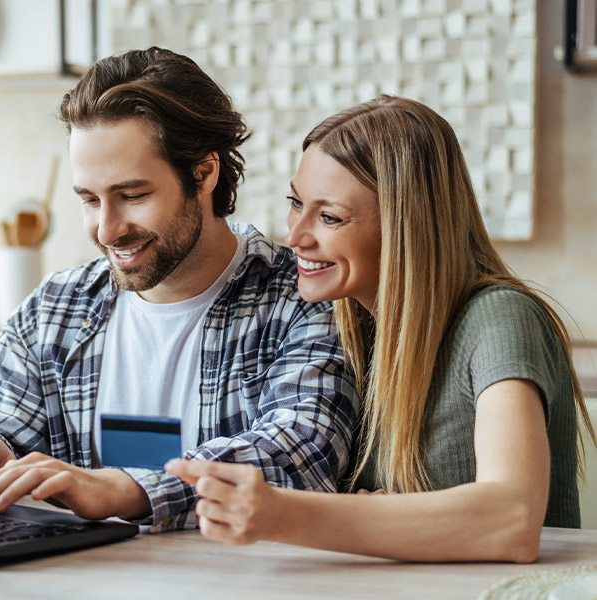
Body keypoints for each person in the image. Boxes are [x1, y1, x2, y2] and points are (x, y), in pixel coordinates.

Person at [0, 47, 358, 531]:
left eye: (133, 196)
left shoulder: (303, 297)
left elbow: (301, 452)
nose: (107, 229)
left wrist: (128, 488)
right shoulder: (54, 309)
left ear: (204, 172)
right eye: (90, 200)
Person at [167, 94, 597, 561]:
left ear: (405, 225)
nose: (294, 237)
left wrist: (281, 514)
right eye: (296, 203)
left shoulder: (499, 317)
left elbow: (511, 519)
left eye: (330, 217)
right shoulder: (350, 324)